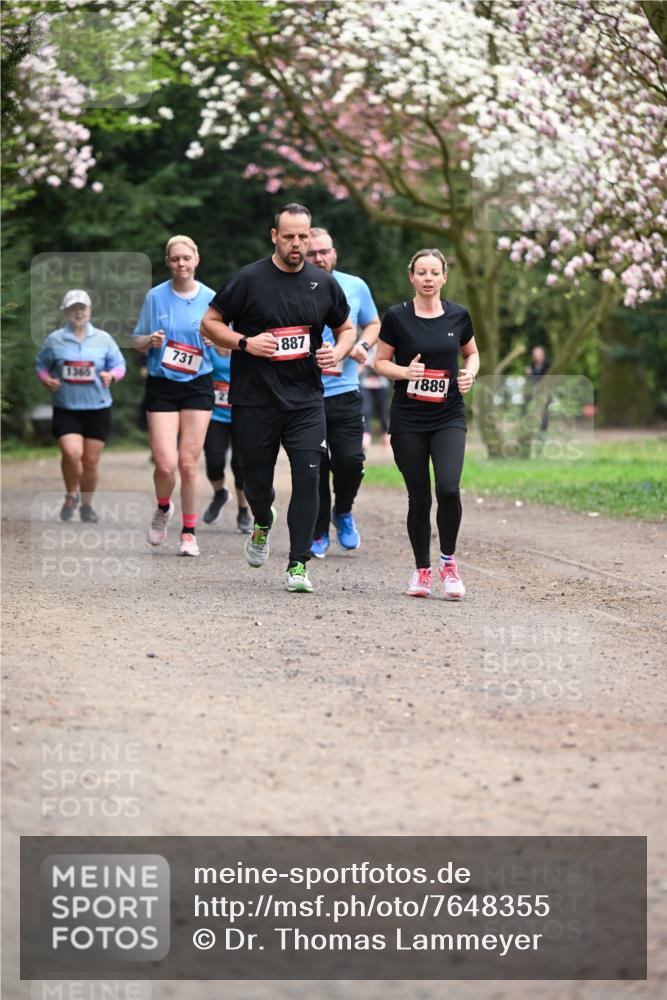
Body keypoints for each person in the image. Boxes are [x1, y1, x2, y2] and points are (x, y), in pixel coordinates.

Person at [200, 203, 355, 593]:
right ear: (274, 236)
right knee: (256, 484)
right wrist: (246, 343)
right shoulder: (249, 279)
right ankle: (262, 520)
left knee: (308, 478)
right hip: (256, 401)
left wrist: (336, 353)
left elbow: (346, 328)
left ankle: (298, 564)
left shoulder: (324, 283)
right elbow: (210, 323)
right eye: (289, 236)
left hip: (305, 401)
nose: (297, 244)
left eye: (303, 236)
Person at [375, 249, 479, 600]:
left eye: (435, 272)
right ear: (412, 277)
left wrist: (470, 374)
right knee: (419, 497)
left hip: (449, 414)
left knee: (448, 488)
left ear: (444, 277)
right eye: (422, 272)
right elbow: (381, 362)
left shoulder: (459, 316)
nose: (429, 278)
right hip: (408, 417)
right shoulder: (397, 317)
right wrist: (405, 372)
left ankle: (448, 563)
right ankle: (422, 570)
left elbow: (472, 353)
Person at [133, 235, 215, 557]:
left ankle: (189, 532)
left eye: (186, 258)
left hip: (198, 383)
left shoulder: (211, 298)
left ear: (196, 259)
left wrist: (215, 342)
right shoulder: (155, 297)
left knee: (188, 463)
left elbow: (226, 344)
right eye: (174, 259)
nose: (181, 264)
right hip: (163, 383)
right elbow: (136, 339)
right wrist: (149, 341)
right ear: (168, 262)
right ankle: (164, 507)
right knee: (166, 464)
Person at [306, 227, 380, 558]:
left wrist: (362, 345)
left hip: (346, 389)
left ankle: (343, 512)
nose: (319, 258)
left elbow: (374, 323)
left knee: (350, 461)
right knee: (315, 465)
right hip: (307, 393)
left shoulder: (354, 286)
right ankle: (319, 531)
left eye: (324, 252)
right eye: (312, 253)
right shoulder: (293, 286)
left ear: (334, 253)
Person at [35, 289, 126, 522]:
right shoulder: (55, 340)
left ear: (89, 310)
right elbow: (41, 365)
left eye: (82, 308)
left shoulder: (104, 339)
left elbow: (119, 365)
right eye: (73, 308)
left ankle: (86, 505)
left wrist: (112, 376)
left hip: (98, 408)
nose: (78, 312)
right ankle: (71, 493)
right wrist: (47, 380)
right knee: (71, 452)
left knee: (90, 462)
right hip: (67, 407)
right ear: (65, 312)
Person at [201, 343, 252, 533]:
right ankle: (220, 493)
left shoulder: (246, 343)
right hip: (215, 415)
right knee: (214, 463)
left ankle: (243, 511)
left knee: (240, 465)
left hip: (243, 413)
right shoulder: (207, 345)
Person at [360, 345, 391, 450]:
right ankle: (366, 437)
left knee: (383, 412)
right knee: (365, 410)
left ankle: (386, 436)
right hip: (366, 384)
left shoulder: (383, 346)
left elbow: (387, 364)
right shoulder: (363, 346)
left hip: (381, 385)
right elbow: (359, 366)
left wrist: (376, 364)